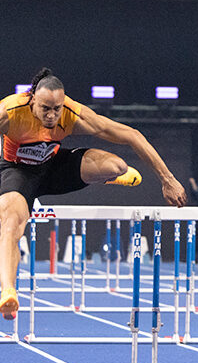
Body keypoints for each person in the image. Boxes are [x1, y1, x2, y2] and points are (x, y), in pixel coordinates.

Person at [0, 68, 187, 319]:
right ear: (32, 99)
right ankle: (9, 291)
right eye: (45, 108)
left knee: (117, 165)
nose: (52, 115)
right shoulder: (10, 113)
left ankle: (108, 178)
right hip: (17, 172)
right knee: (11, 224)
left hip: (54, 167)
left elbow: (132, 135)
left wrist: (168, 179)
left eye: (57, 108)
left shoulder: (73, 114)